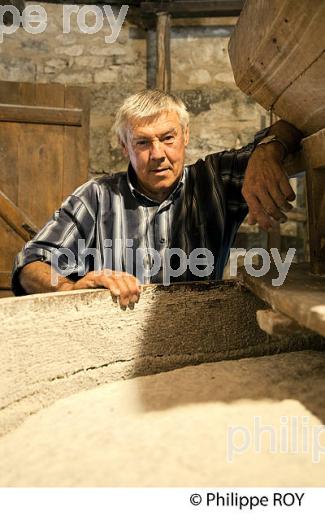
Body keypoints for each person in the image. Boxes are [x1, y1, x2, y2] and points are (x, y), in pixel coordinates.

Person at [12, 89, 303, 308]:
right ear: (123, 146)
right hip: (113, 343)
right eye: (142, 142)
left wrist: (268, 149)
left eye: (168, 138)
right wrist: (69, 289)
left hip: (200, 335)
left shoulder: (216, 179)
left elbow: (296, 122)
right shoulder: (96, 197)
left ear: (185, 135)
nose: (158, 154)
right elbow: (29, 265)